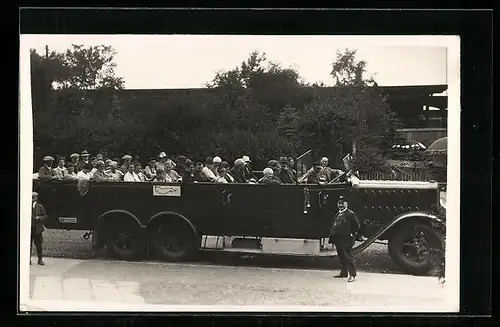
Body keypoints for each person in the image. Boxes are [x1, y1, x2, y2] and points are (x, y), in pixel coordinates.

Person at [328, 195, 361, 282]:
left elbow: (357, 226)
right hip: (338, 238)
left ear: (347, 204)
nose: (340, 205)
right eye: (339, 203)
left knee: (348, 256)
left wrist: (351, 235)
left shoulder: (350, 214)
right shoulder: (339, 213)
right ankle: (344, 273)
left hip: (346, 239)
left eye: (342, 203)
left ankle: (352, 275)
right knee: (341, 256)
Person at [31, 192, 47, 265]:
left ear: (36, 198)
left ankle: (40, 259)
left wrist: (39, 218)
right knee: (28, 245)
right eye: (31, 197)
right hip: (29, 229)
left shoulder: (40, 206)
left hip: (37, 229)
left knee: (38, 245)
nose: (32, 199)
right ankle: (28, 259)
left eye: (33, 197)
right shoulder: (26, 206)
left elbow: (45, 216)